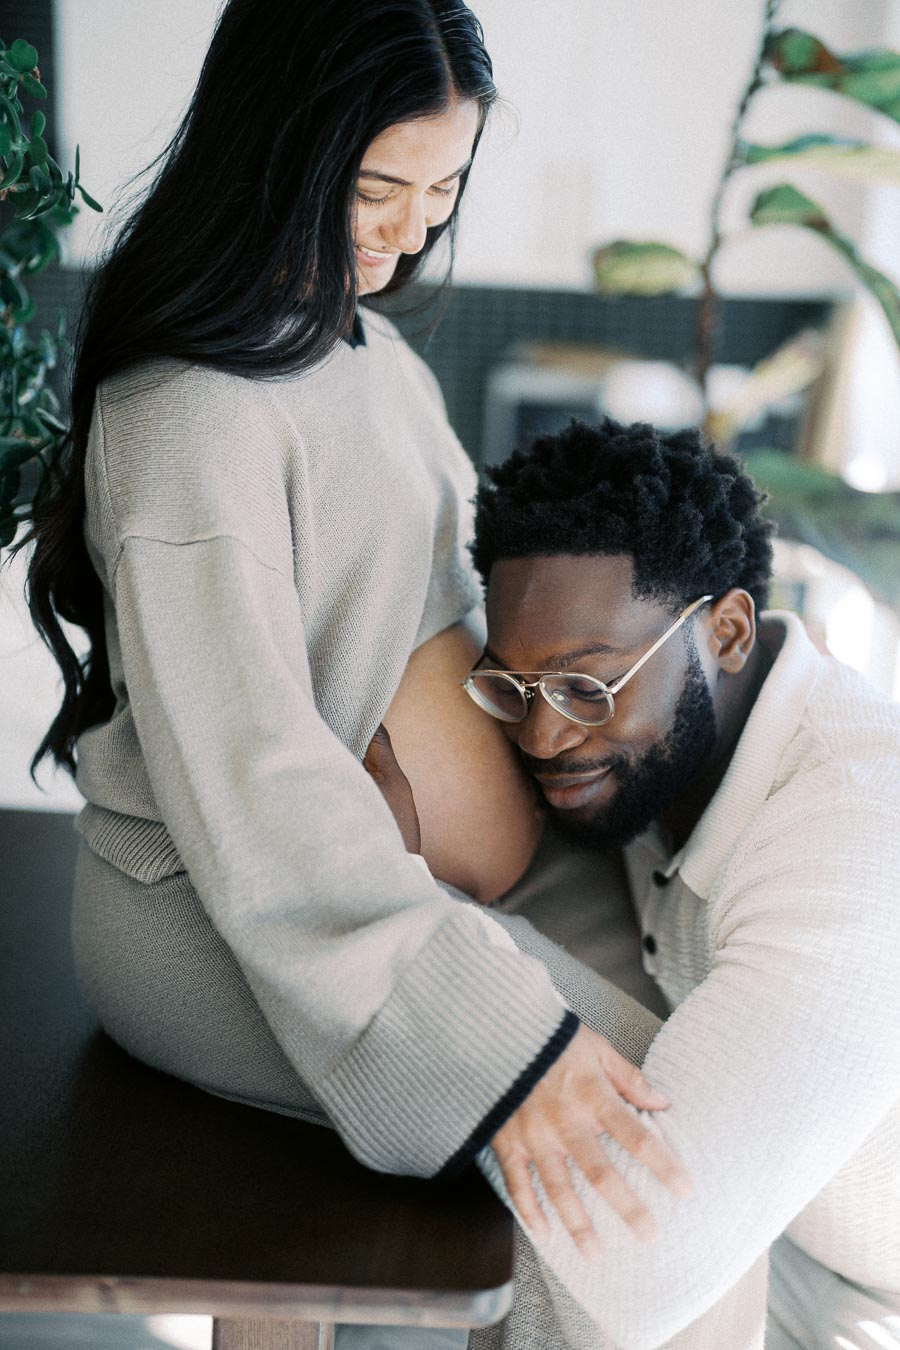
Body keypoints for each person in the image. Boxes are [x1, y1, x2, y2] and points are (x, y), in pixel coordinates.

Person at [17, 2, 695, 1341]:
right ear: (278, 151)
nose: (408, 232)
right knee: (655, 1126)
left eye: (442, 191)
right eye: (377, 189)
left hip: (413, 875)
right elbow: (258, 780)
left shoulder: (372, 354)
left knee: (709, 1062)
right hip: (230, 910)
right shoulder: (189, 415)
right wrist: (501, 1045)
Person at [419, 417, 898, 1349]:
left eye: (587, 688)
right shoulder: (658, 759)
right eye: (514, 689)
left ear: (727, 632)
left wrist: (413, 919)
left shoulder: (856, 838)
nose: (543, 739)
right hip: (783, 1237)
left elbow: (645, 1255)